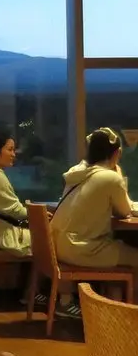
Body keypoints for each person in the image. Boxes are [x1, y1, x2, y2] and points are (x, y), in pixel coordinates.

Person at [51, 127, 138, 315]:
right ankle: (126, 316)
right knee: (133, 256)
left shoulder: (76, 174)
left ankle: (113, 304)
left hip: (59, 246)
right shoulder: (109, 177)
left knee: (118, 247)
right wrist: (117, 174)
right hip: (82, 249)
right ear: (117, 153)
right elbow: (125, 211)